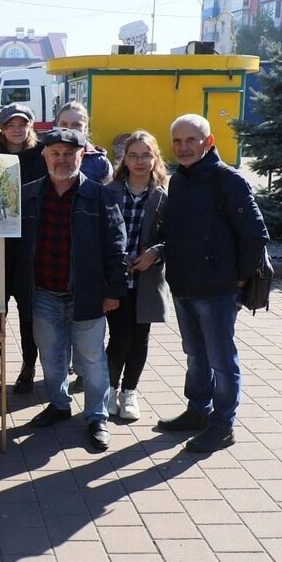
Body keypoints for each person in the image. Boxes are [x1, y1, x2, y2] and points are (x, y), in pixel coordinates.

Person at [157, 114, 268, 453]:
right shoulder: (179, 180)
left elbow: (255, 235)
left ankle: (222, 426)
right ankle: (197, 411)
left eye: (191, 140)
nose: (183, 147)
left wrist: (239, 278)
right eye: (178, 141)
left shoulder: (227, 180)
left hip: (217, 290)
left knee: (221, 360)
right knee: (195, 355)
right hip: (184, 287)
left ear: (209, 141)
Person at [17, 127, 127, 450]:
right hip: (43, 294)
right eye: (55, 153)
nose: (62, 160)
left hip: (87, 295)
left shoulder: (100, 196)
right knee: (51, 358)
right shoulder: (28, 195)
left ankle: (97, 416)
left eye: (69, 154)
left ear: (81, 156)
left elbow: (116, 246)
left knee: (92, 360)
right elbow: (14, 246)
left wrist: (113, 291)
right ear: (44, 156)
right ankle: (59, 405)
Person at [104, 130, 170, 422]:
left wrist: (156, 251)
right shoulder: (110, 191)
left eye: (146, 155)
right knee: (119, 336)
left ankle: (129, 392)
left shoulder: (163, 195)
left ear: (155, 158)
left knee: (140, 337)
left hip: (146, 279)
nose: (140, 161)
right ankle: (109, 389)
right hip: (117, 279)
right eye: (133, 155)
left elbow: (175, 237)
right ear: (125, 160)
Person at [55, 101, 114, 391]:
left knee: (86, 325)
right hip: (57, 247)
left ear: (86, 127)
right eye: (65, 124)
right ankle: (62, 377)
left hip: (88, 249)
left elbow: (108, 211)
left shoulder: (99, 163)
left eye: (77, 125)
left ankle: (83, 373)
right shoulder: (49, 153)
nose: (70, 129)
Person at [0, 103, 46, 394]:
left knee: (29, 310)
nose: (16, 129)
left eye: (22, 124)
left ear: (30, 127)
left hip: (31, 244)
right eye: (10, 125)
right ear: (2, 128)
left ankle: (28, 364)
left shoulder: (42, 156)